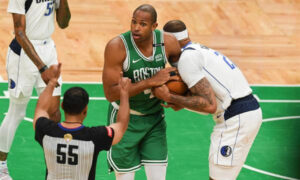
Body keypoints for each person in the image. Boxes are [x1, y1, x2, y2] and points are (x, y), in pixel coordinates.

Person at [153, 20, 262, 180]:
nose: (162, 50)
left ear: (172, 41)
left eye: (163, 44)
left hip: (236, 119)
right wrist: (183, 102)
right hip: (244, 113)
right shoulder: (198, 50)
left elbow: (209, 105)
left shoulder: (187, 60)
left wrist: (169, 96)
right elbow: (211, 99)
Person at [102, 4, 181, 180]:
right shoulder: (117, 47)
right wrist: (150, 82)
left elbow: (185, 75)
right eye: (133, 22)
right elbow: (110, 93)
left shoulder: (168, 42)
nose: (136, 27)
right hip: (125, 121)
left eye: (143, 24)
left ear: (154, 26)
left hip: (154, 120)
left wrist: (179, 99)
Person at [0, 0, 71, 179]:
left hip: (49, 50)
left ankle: (53, 169)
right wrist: (42, 68)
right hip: (24, 53)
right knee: (17, 111)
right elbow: (19, 32)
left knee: (54, 113)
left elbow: (64, 23)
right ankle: (1, 165)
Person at [33, 63, 131, 180]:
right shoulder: (96, 137)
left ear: (62, 106)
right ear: (85, 110)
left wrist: (52, 81)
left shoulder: (45, 130)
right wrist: (124, 92)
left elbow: (41, 109)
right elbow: (121, 125)